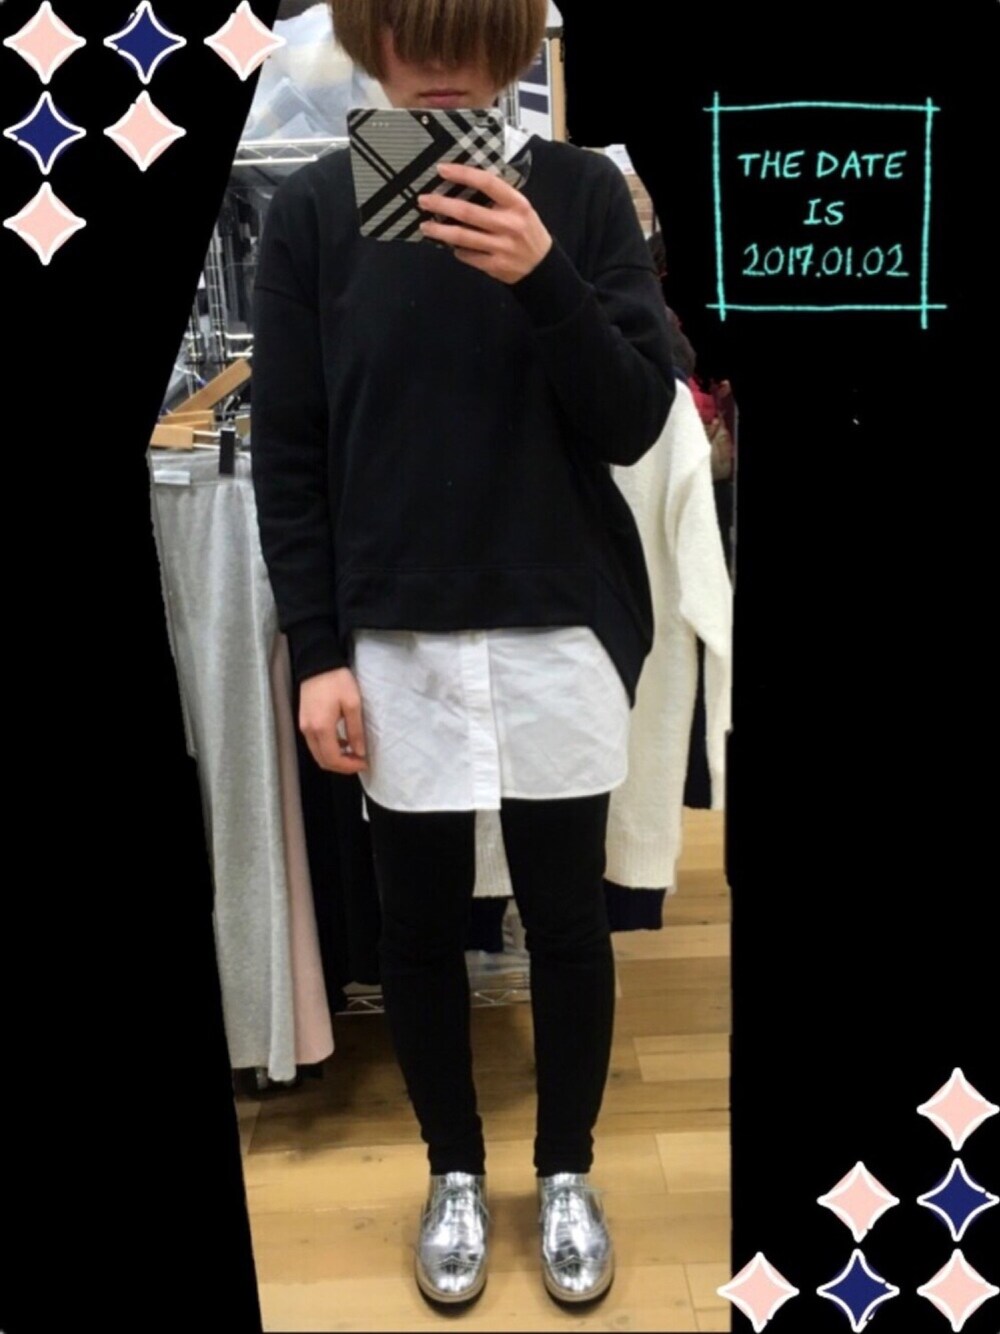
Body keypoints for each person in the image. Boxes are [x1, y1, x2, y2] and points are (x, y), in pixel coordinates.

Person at [250, 0, 675, 1309]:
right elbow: (292, 450)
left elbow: (633, 419)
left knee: (567, 920)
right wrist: (319, 649)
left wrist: (545, 274)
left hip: (557, 616)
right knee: (418, 924)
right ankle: (452, 1167)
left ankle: (566, 1167)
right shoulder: (312, 213)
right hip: (394, 637)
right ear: (372, 40)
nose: (438, 69)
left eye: (466, 35)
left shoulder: (584, 196)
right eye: (410, 35)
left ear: (510, 44)